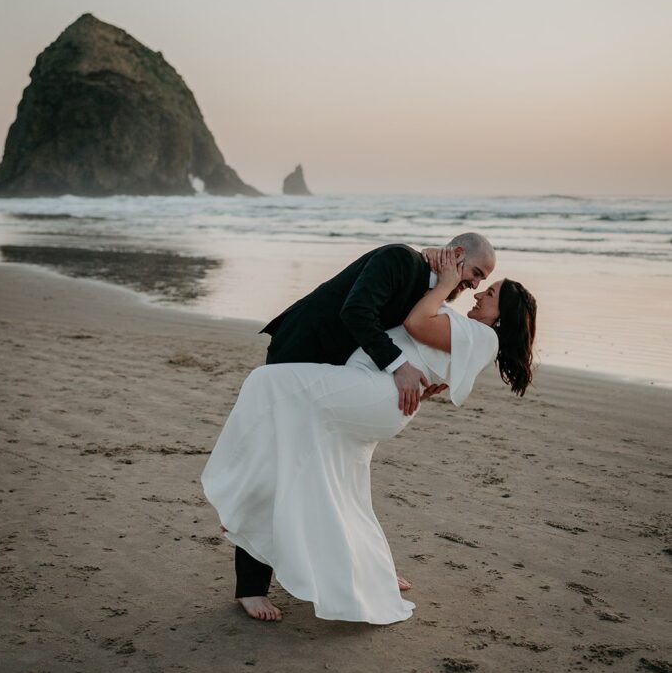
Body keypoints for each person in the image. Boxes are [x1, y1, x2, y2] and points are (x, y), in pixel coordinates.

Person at [201, 249, 537, 624]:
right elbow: (415, 341)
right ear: (456, 255)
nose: (477, 288)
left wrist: (442, 286)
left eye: (488, 290)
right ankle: (365, 570)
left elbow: (416, 325)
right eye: (477, 275)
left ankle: (240, 500)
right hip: (343, 370)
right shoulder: (406, 267)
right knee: (338, 482)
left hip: (373, 392)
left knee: (265, 386)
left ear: (504, 313)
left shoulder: (475, 332)